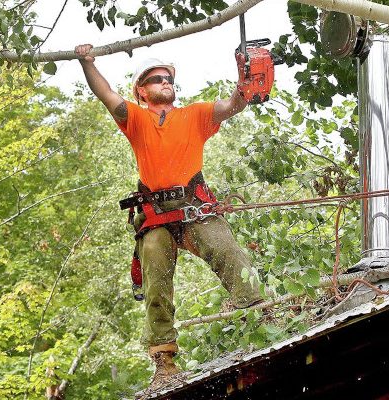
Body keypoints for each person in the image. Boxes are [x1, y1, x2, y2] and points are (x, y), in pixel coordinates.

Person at [75, 44, 264, 391]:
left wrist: (244, 83)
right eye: (156, 79)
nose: (165, 82)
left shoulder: (194, 115)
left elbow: (231, 106)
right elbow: (104, 93)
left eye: (168, 78)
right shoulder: (135, 119)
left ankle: (262, 312)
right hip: (155, 214)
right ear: (142, 90)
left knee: (228, 251)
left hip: (194, 207)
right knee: (156, 279)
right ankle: (164, 360)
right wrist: (87, 62)